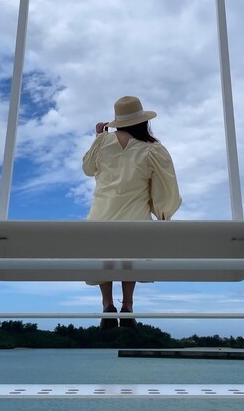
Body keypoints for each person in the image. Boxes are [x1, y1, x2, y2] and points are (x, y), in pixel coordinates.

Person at [82, 95, 182, 329]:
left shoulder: (103, 143)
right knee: (130, 258)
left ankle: (107, 304)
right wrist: (163, 212)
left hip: (101, 214)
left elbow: (87, 169)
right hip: (135, 216)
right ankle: (127, 305)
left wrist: (98, 137)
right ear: (143, 121)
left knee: (103, 259)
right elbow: (166, 186)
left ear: (117, 121)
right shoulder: (152, 149)